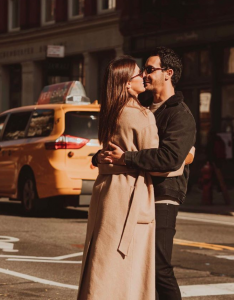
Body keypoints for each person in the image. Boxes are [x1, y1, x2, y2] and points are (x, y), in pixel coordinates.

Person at [78, 55, 189, 300]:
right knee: (134, 267)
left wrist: (108, 158)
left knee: (104, 260)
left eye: (148, 70)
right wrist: (183, 159)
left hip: (110, 193)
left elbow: (107, 152)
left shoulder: (111, 112)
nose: (144, 76)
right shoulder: (142, 114)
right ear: (127, 84)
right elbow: (165, 162)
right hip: (131, 195)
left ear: (168, 73)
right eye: (141, 72)